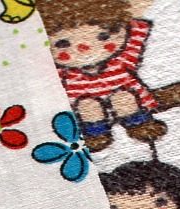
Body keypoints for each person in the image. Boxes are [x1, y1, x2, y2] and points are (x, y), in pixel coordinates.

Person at [39, 0, 167, 152]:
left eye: (103, 36)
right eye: (62, 43)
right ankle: (96, 134)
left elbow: (135, 28)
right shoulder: (65, 74)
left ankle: (139, 124)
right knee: (87, 105)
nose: (85, 48)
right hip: (85, 104)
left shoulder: (121, 61)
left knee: (124, 97)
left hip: (125, 97)